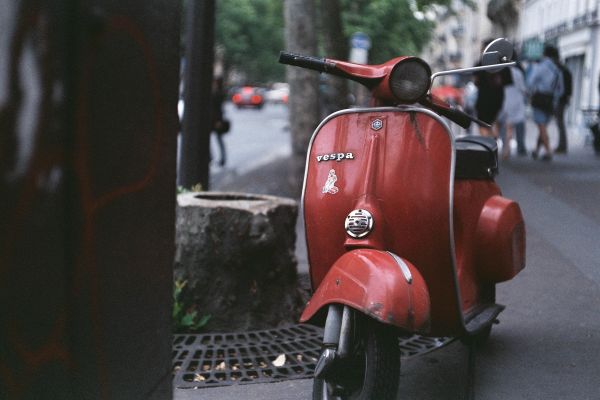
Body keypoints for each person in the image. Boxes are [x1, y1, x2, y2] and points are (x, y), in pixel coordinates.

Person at [527, 45, 564, 161]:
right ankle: (536, 150)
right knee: (543, 126)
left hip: (539, 98)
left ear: (544, 54)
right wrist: (554, 98)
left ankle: (548, 151)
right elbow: (561, 89)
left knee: (541, 126)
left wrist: (531, 93)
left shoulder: (540, 67)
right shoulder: (557, 70)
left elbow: (530, 82)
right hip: (551, 100)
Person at [473, 39, 510, 137]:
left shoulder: (480, 64)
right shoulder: (503, 65)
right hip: (498, 99)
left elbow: (476, 82)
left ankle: (488, 144)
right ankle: (492, 142)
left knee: (483, 125)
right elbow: (508, 82)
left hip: (484, 99)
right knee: (492, 124)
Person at [498, 56, 528, 158]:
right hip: (517, 101)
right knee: (513, 126)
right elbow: (523, 88)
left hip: (505, 100)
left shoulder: (501, 72)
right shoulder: (518, 72)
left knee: (507, 127)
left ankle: (506, 149)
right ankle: (510, 148)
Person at [553, 57, 572, 153]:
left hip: (561, 99)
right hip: (562, 99)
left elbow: (562, 88)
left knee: (560, 123)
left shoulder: (562, 72)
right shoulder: (565, 71)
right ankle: (562, 145)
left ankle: (562, 146)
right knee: (560, 123)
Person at [210, 77, 227, 166]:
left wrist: (219, 121)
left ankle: (221, 158)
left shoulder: (218, 94)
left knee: (218, 139)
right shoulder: (217, 93)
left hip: (216, 120)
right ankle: (212, 157)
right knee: (218, 139)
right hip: (213, 120)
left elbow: (218, 109)